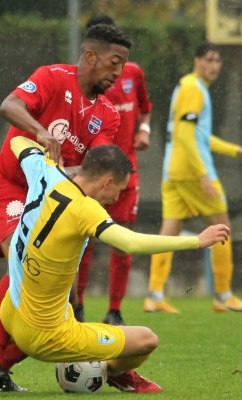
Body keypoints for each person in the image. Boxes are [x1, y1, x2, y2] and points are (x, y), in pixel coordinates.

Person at [0, 23, 132, 394]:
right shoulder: (51, 78)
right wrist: (40, 131)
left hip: (53, 200)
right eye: (114, 62)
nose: (118, 73)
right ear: (89, 56)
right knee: (19, 259)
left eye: (123, 65)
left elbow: (96, 165)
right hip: (10, 187)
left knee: (51, 306)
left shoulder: (108, 115)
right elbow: (9, 105)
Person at [0, 136, 231, 394]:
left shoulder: (46, 172)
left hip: (18, 313)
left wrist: (46, 141)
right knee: (147, 339)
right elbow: (132, 243)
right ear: (107, 182)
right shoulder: (86, 209)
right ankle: (114, 373)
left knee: (8, 313)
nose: (117, 198)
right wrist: (197, 240)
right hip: (50, 334)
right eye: (119, 190)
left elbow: (18, 142)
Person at [143, 43, 242, 314]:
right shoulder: (193, 89)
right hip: (192, 171)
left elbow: (195, 135)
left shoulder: (188, 87)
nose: (214, 65)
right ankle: (224, 295)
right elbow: (187, 136)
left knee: (170, 232)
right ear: (197, 61)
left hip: (173, 170)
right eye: (209, 59)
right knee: (222, 226)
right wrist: (202, 175)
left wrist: (237, 151)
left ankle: (154, 294)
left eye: (218, 60)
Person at [74, 15, 153, 326]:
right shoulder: (84, 82)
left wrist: (144, 130)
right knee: (84, 241)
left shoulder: (133, 73)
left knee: (123, 241)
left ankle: (114, 311)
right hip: (93, 176)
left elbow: (146, 109)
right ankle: (76, 305)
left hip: (125, 176)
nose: (116, 68)